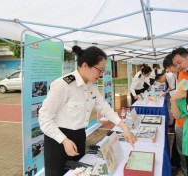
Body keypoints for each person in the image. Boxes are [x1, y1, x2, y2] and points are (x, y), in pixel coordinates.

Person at [39, 46, 137, 176]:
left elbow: (104, 107)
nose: (101, 75)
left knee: (78, 172)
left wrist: (124, 127)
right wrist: (64, 140)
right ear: (85, 65)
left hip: (79, 137)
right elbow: (44, 118)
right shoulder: (63, 85)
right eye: (100, 70)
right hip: (58, 140)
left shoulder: (91, 85)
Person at [171, 47, 188, 176]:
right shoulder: (181, 73)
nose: (178, 67)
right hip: (180, 122)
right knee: (182, 153)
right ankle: (186, 171)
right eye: (175, 65)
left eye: (179, 62)